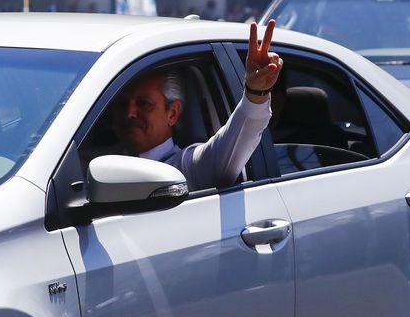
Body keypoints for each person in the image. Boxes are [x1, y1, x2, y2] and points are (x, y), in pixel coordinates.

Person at [112, 20, 282, 190]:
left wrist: (254, 94)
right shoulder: (94, 163)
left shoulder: (186, 168)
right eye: (123, 103)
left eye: (144, 104)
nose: (130, 112)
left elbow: (233, 142)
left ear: (172, 113)